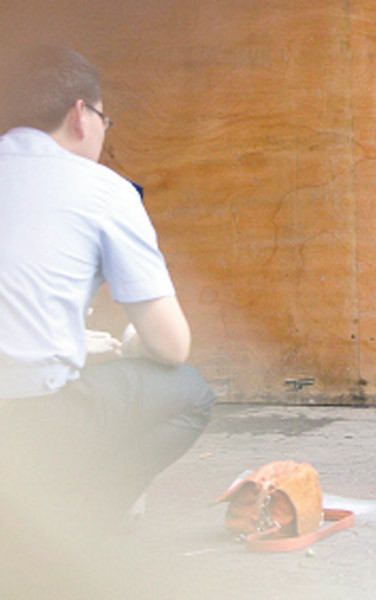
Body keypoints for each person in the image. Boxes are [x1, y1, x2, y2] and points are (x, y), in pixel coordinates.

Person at [0, 44, 215, 540]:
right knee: (190, 392)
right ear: (81, 114)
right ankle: (70, 525)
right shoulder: (104, 189)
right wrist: (134, 344)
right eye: (104, 120)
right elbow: (171, 346)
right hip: (27, 420)